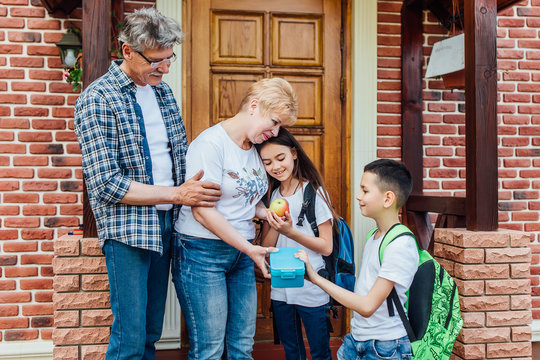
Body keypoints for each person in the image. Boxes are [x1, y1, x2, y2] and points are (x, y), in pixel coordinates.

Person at [74, 8, 221, 360]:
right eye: (157, 60)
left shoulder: (164, 94)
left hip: (169, 225)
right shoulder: (98, 99)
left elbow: (179, 156)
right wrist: (177, 194)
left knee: (151, 332)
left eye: (169, 59)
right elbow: (107, 183)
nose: (165, 68)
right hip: (128, 231)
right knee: (129, 337)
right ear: (127, 51)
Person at [172, 77, 298, 360]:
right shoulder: (210, 145)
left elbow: (241, 200)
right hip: (202, 252)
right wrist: (249, 247)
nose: (275, 132)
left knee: (242, 348)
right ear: (254, 106)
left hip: (241, 254)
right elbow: (202, 211)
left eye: (280, 127)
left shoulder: (254, 149)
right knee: (210, 350)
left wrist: (265, 213)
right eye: (274, 122)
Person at [296, 159, 418, 360]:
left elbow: (367, 306)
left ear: (388, 198)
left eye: (365, 191)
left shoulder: (400, 245)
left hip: (385, 347)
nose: (358, 196)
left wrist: (317, 279)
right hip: (359, 339)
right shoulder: (375, 236)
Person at [255, 127, 337, 360]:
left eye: (280, 158)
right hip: (281, 287)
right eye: (267, 162)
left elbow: (326, 246)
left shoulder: (314, 192)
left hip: (312, 286)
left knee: (320, 352)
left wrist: (290, 231)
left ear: (293, 153)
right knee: (292, 352)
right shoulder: (272, 195)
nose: (275, 167)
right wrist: (274, 225)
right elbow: (269, 247)